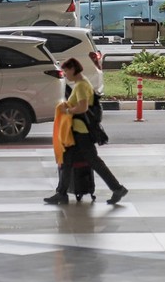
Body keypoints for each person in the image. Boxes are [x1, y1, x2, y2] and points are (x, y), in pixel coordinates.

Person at [44, 57, 128, 205]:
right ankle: (61, 193)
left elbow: (83, 107)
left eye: (66, 71)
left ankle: (118, 188)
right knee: (67, 160)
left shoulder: (82, 85)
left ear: (72, 69)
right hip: (77, 132)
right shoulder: (81, 84)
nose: (65, 74)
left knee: (93, 162)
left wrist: (68, 110)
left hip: (81, 133)